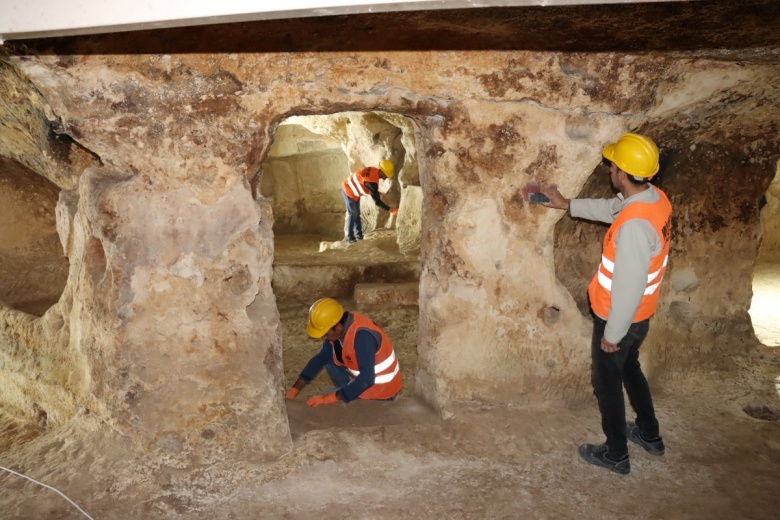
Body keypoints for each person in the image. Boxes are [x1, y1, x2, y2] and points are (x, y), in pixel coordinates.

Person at [541, 133, 672, 475]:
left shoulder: (633, 228)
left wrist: (612, 334)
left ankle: (616, 454)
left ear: (622, 173)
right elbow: (611, 207)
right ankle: (649, 433)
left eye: (613, 165)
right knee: (630, 369)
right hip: (640, 316)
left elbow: (628, 287)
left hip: (620, 318)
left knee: (607, 382)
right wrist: (565, 203)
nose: (610, 169)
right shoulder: (653, 199)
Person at [285, 298, 402, 406]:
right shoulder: (342, 328)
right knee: (329, 359)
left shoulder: (362, 337)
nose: (323, 337)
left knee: (322, 402)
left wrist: (332, 397)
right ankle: (348, 390)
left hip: (380, 390)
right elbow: (319, 359)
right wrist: (294, 390)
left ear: (338, 327)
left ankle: (350, 395)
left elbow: (367, 378)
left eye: (325, 333)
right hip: (365, 379)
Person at [342, 160, 399, 244]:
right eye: (386, 175)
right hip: (348, 190)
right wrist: (391, 210)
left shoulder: (373, 170)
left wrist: (374, 192)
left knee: (357, 214)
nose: (386, 178)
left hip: (353, 189)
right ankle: (350, 238)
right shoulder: (372, 182)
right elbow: (377, 202)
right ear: (382, 172)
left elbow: (363, 182)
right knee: (353, 214)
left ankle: (359, 235)